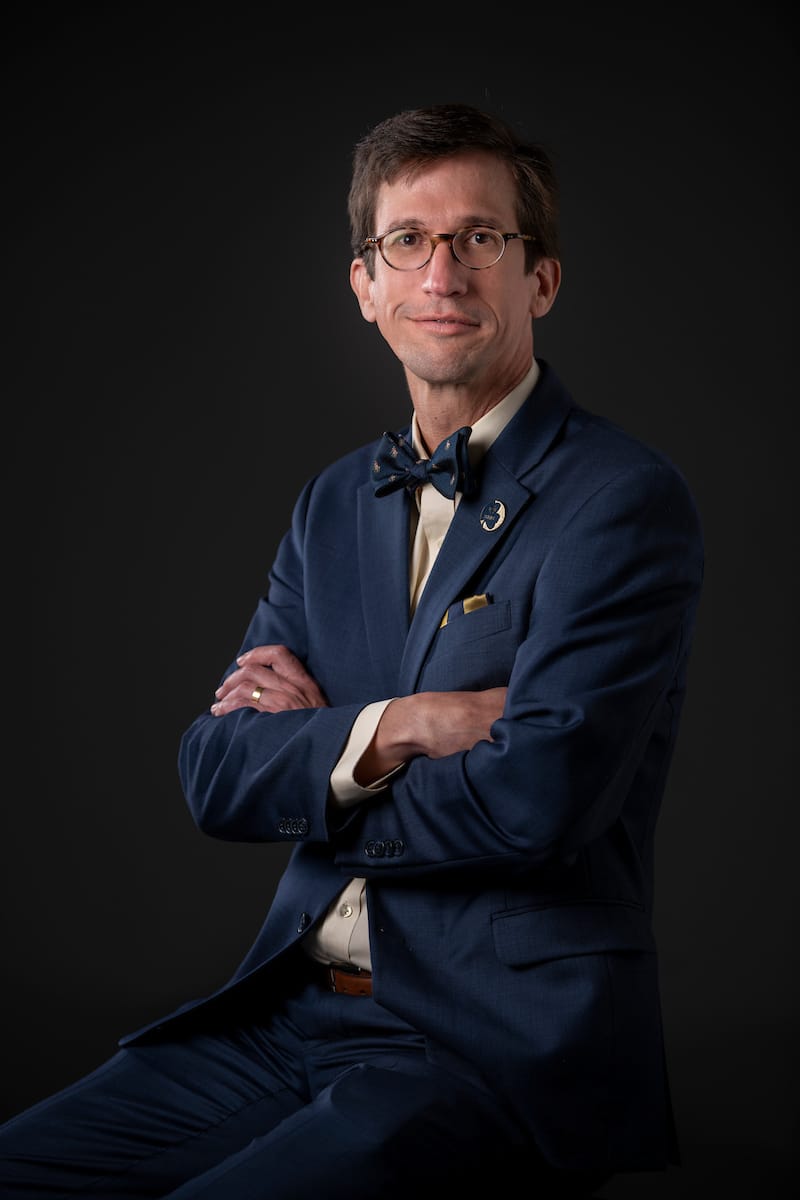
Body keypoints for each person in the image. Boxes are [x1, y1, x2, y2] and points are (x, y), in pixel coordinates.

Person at [0, 102, 704, 1198]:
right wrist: (405, 728)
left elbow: (539, 801)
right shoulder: (332, 503)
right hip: (285, 1012)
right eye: (406, 242)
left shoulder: (621, 500)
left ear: (540, 281)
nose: (443, 273)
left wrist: (318, 759)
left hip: (482, 1045)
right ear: (365, 285)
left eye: (479, 238)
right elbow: (214, 774)